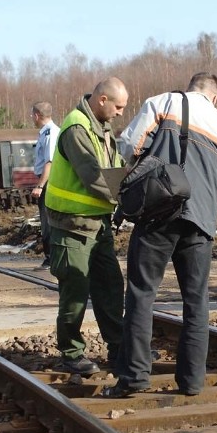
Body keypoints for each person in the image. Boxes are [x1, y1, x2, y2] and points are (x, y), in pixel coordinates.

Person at [107, 72, 217, 397]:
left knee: (141, 293)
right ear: (215, 97)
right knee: (195, 301)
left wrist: (117, 192)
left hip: (158, 213)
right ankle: (192, 382)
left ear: (191, 88)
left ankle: (134, 378)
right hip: (200, 220)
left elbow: (128, 145)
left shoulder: (162, 103)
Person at [44, 77, 128, 375]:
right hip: (72, 225)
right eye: (118, 106)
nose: (120, 113)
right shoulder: (76, 127)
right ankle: (72, 353)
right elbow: (93, 176)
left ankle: (119, 348)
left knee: (111, 287)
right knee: (75, 290)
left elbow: (115, 169)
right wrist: (127, 199)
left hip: (98, 225)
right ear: (102, 100)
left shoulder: (103, 129)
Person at [31, 101, 59, 270]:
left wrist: (40, 186)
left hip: (49, 183)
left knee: (47, 222)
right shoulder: (46, 132)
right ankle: (51, 258)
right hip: (47, 181)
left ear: (36, 115)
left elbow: (50, 162)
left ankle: (51, 259)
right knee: (46, 221)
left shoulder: (50, 133)